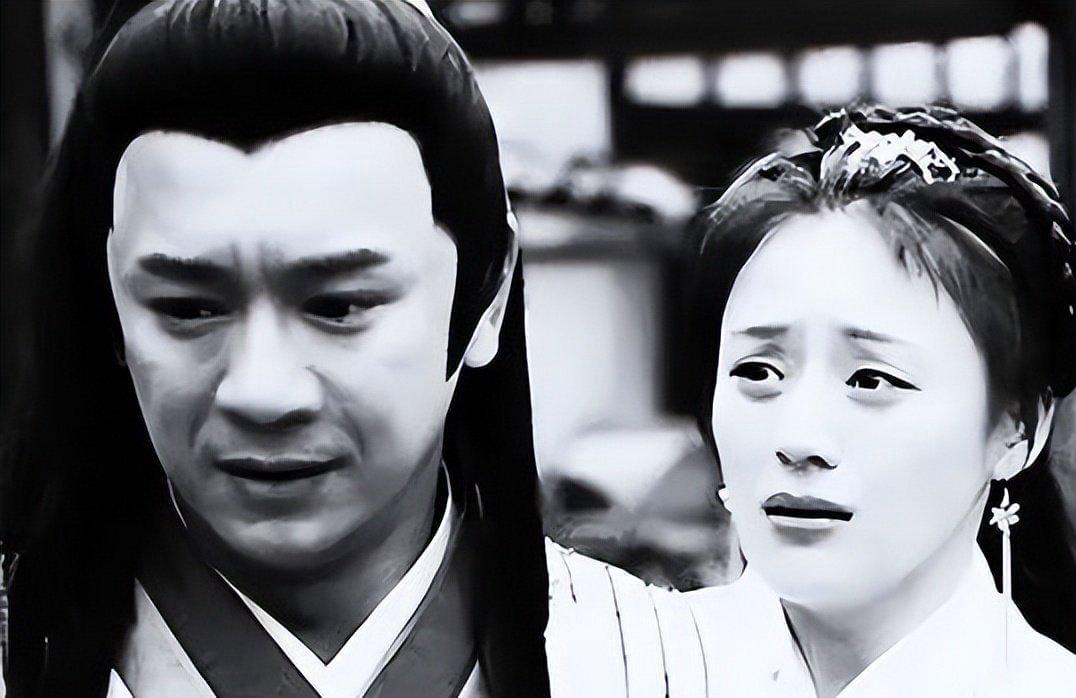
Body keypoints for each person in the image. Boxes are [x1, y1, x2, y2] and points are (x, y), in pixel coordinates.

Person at [0, 1, 702, 696]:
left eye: (338, 306)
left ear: (488, 292)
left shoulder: (673, 667)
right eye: (189, 309)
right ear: (109, 302)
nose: (262, 391)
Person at [681, 105, 1076, 697]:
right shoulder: (616, 666)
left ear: (1019, 426)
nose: (798, 440)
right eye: (758, 371)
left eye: (872, 380)